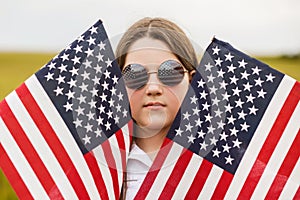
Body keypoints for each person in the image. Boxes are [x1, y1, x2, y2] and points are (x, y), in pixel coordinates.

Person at [115, 17, 198, 199]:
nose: (153, 88)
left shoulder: (225, 164)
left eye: (169, 72)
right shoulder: (99, 168)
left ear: (191, 81)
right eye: (135, 74)